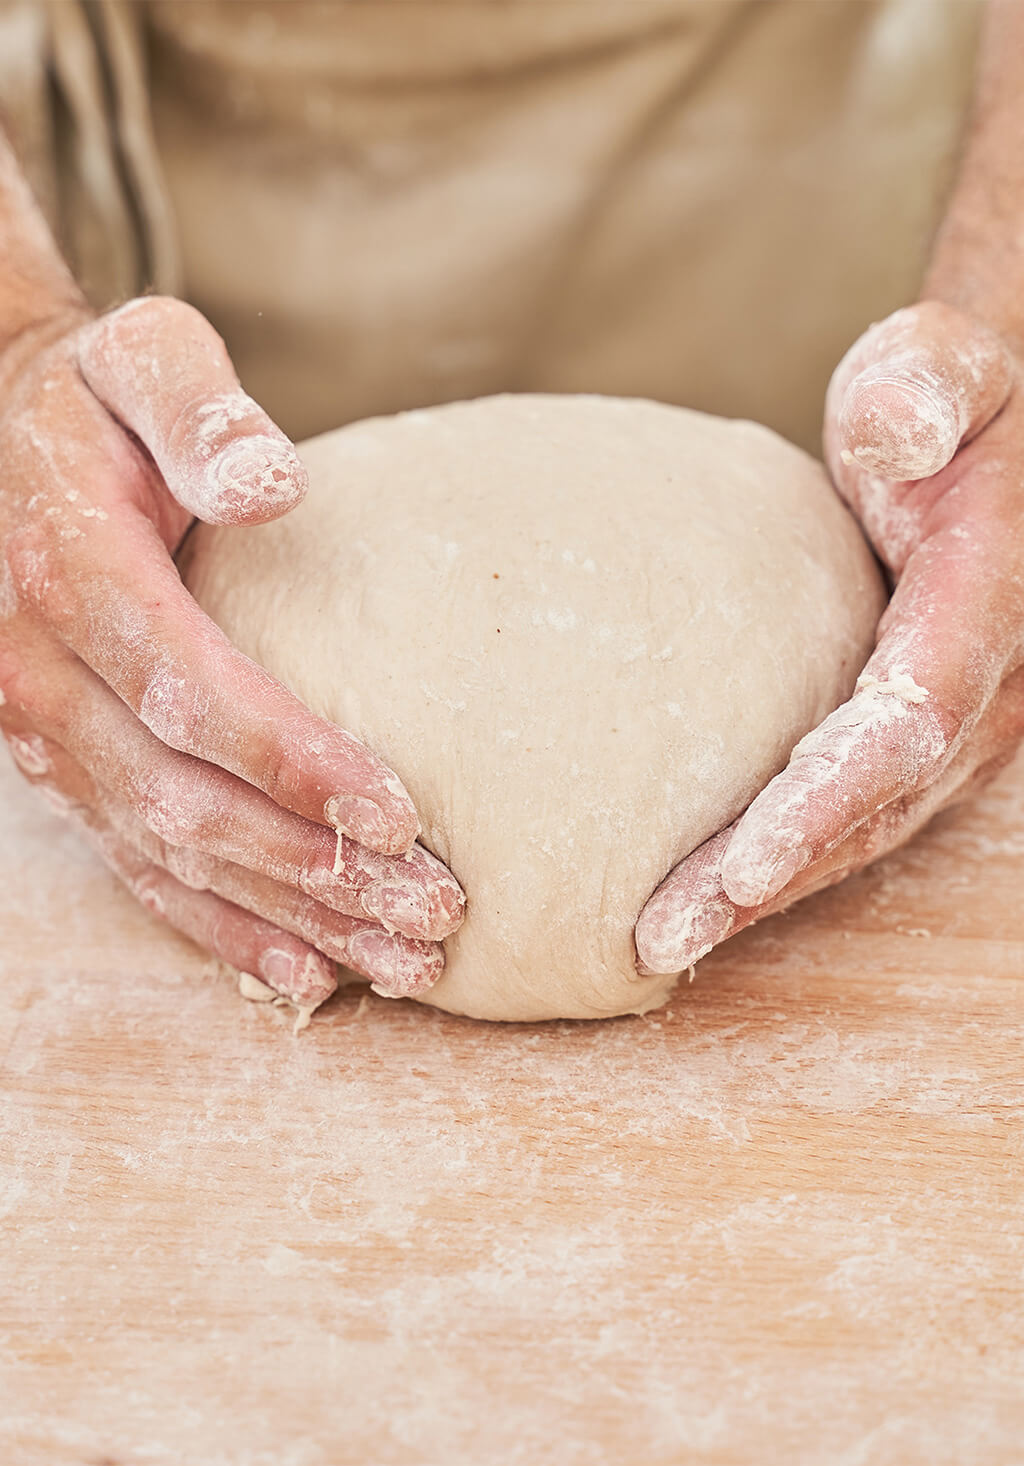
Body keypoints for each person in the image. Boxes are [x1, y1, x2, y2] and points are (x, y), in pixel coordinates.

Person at [0, 0, 1021, 1006]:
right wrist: (17, 347)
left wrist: (1004, 323)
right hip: (225, 184)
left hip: (787, 156)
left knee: (902, 449)